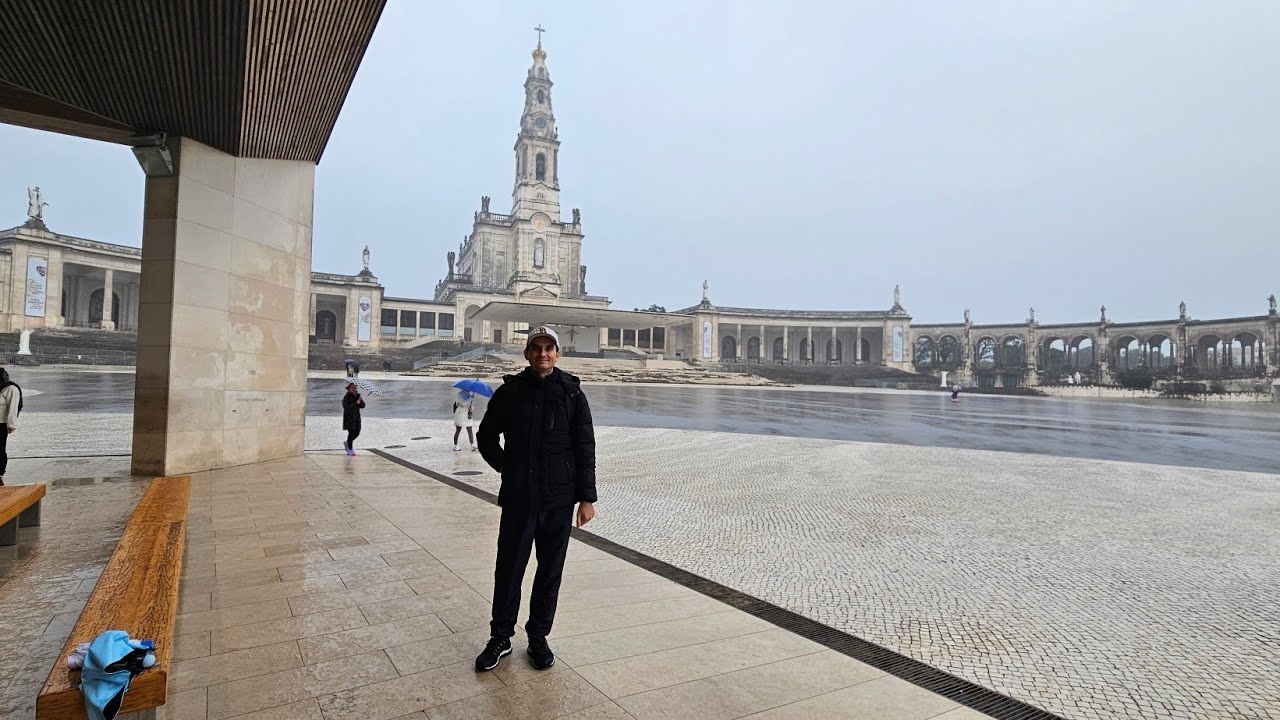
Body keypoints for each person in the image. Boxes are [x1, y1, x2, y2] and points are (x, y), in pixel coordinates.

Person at [474, 326, 596, 673]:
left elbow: (585, 447)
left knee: (549, 572)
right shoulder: (511, 392)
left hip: (558, 499)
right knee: (509, 568)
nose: (543, 354)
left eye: (549, 348)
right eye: (536, 348)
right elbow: (486, 437)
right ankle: (500, 637)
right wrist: (507, 468)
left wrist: (586, 497)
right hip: (519, 498)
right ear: (526, 354)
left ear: (558, 354)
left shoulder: (572, 394)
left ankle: (538, 636)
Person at [0, 368, 20, 486]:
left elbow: (13, 408)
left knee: (0, 449)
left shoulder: (11, 389)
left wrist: (11, 424)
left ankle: (0, 473)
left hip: (1, 424)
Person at [341, 381, 365, 456]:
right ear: (349, 389)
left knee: (357, 432)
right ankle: (350, 449)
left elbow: (363, 406)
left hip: (357, 418)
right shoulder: (346, 397)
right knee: (351, 433)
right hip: (349, 418)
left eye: (355, 387)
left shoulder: (358, 396)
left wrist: (360, 401)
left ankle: (347, 443)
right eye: (353, 388)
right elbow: (346, 408)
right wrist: (356, 403)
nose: (355, 389)